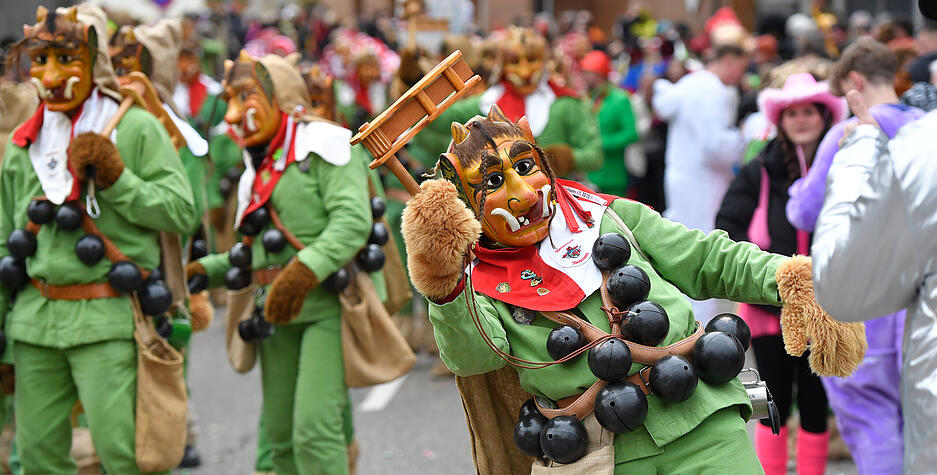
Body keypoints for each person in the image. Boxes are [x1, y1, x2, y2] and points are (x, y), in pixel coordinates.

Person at [400, 104, 866, 473]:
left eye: (526, 165)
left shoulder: (608, 214)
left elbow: (706, 259)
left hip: (700, 420)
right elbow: (475, 358)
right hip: (597, 456)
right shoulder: (473, 277)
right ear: (464, 201)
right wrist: (443, 287)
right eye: (494, 182)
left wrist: (794, 281)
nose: (522, 192)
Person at [2, 5, 198, 473]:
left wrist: (117, 178)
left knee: (125, 457)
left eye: (65, 59)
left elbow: (181, 212)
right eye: (41, 59)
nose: (50, 75)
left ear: (93, 60)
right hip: (33, 324)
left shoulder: (135, 127)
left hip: (108, 319)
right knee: (36, 460)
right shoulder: (22, 143)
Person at [186, 51, 371, 475]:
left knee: (315, 431)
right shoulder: (261, 163)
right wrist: (204, 271)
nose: (232, 115)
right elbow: (254, 248)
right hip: (271, 309)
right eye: (230, 99)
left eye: (245, 97)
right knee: (280, 439)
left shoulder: (327, 144)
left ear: (279, 95)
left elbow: (351, 222)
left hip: (325, 306)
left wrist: (304, 272)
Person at [786, 39, 920, 475]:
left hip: (867, 301)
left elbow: (804, 211)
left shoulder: (847, 134)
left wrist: (798, 188)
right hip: (922, 296)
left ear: (855, 83)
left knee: (868, 414)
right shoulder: (926, 127)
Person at [716, 72, 846, 475]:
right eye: (793, 113)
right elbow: (727, 225)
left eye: (809, 111)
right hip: (769, 306)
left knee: (814, 400)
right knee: (772, 398)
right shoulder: (760, 170)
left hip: (827, 306)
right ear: (781, 118)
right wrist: (764, 268)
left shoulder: (841, 166)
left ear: (823, 116)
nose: (801, 120)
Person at [650, 44, 748, 323]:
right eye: (740, 68)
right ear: (729, 60)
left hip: (682, 177)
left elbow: (665, 106)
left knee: (684, 246)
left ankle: (684, 317)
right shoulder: (712, 91)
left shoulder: (691, 83)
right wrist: (742, 140)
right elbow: (714, 147)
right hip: (705, 183)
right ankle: (700, 324)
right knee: (705, 252)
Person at [580, 50, 639, 197]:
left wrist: (602, 143)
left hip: (612, 177)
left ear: (598, 74)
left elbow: (631, 133)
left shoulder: (620, 99)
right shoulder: (584, 98)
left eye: (586, 73)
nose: (583, 77)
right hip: (587, 176)